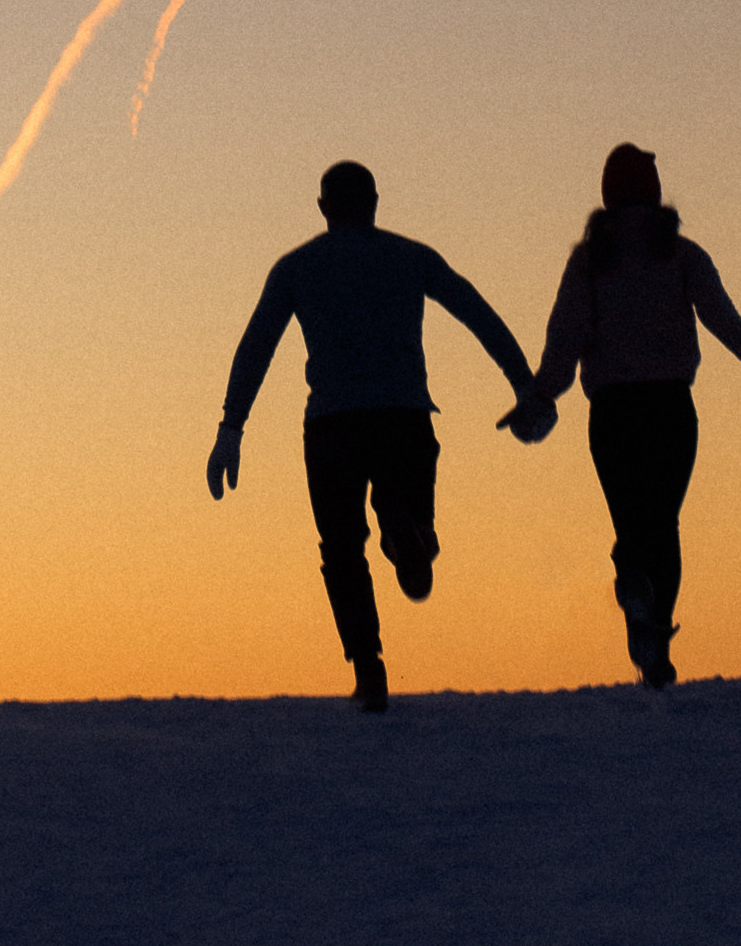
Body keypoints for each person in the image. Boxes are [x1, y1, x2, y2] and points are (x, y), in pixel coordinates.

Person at [206, 159, 554, 712]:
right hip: (403, 415)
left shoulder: (297, 268)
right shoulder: (411, 256)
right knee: (407, 508)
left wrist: (232, 425)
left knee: (341, 548)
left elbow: (256, 346)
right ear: (374, 202)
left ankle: (369, 672)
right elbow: (477, 313)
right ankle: (406, 535)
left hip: (331, 424)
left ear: (323, 209)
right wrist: (525, 386)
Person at [535, 141, 741, 688]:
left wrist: (542, 395)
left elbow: (564, 336)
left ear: (608, 196)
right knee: (662, 522)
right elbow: (722, 317)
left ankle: (635, 588)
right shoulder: (680, 254)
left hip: (612, 412)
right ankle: (652, 629)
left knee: (633, 520)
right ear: (654, 195)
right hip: (670, 409)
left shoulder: (590, 262)